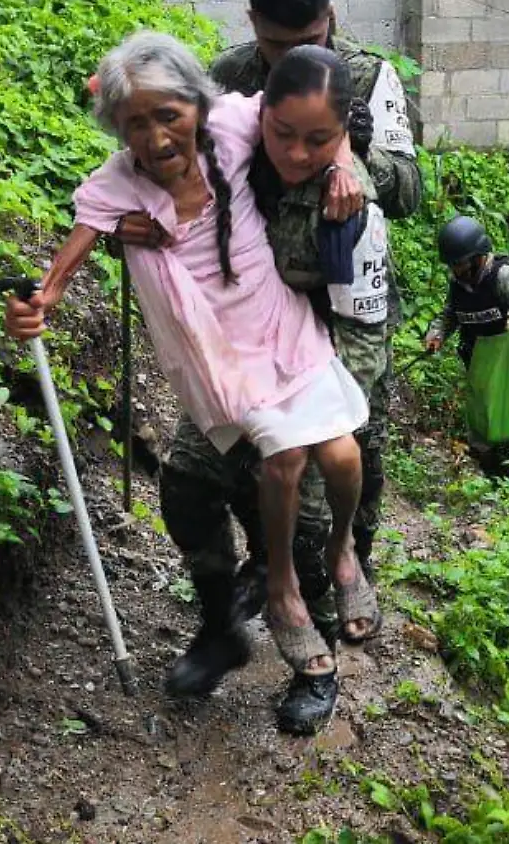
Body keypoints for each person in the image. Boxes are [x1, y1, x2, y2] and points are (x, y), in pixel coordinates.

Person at [1, 32, 377, 734]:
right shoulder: (124, 184)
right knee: (231, 477)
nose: (155, 134)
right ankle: (250, 624)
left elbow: (318, 116)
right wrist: (36, 304)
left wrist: (346, 158)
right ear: (117, 127)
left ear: (198, 106)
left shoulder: (244, 125)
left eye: (167, 115)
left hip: (288, 325)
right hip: (219, 353)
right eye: (134, 122)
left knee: (328, 466)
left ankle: (326, 594)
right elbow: (60, 272)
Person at [116, 46, 400, 646]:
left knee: (308, 505)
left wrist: (299, 413)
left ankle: (312, 637)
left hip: (316, 364)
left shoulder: (348, 205)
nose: (297, 153)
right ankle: (222, 625)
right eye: (283, 133)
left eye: (319, 140)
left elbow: (363, 332)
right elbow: (141, 162)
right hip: (236, 359)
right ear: (260, 112)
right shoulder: (227, 152)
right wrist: (132, 226)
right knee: (188, 488)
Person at [209, 0, 423, 221]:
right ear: (253, 21)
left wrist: (362, 152)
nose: (293, 56)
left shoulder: (367, 76)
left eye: (309, 41)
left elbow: (409, 194)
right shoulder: (228, 74)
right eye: (277, 44)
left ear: (330, 18)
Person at [423, 216, 509, 473]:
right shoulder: (459, 284)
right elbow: (450, 314)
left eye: (460, 264)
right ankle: (487, 473)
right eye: (452, 265)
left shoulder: (507, 275)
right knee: (481, 431)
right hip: (479, 367)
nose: (455, 271)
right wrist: (437, 335)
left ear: (478, 256)